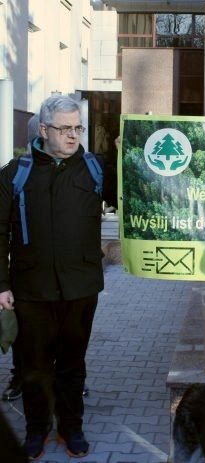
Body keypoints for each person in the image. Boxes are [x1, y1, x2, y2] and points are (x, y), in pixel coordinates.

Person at [0, 95, 105, 459]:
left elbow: (141, 191)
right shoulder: (16, 173)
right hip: (31, 289)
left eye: (78, 127)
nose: (74, 135)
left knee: (73, 365)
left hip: (81, 287)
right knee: (34, 368)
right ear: (44, 130)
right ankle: (36, 429)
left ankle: (71, 427)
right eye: (65, 128)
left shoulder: (94, 169)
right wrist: (1, 286)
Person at [1, 114, 41, 403]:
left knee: (65, 337)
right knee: (24, 334)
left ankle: (70, 381)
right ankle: (19, 378)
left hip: (63, 273)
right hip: (25, 272)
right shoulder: (16, 172)